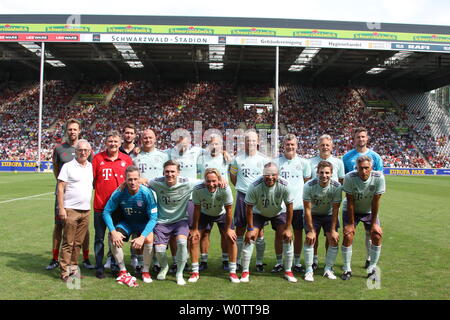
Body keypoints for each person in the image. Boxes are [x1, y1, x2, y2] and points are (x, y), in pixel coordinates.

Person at [145, 160, 203, 285]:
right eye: (167, 171)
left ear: (178, 172)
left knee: (182, 242)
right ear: (163, 172)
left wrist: (221, 180)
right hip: (162, 221)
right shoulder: (157, 182)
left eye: (172, 171)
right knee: (159, 250)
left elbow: (205, 181)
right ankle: (164, 267)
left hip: (180, 220)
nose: (169, 174)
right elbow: (143, 180)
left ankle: (179, 273)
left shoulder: (187, 182)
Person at [47, 119, 93, 271]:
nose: (72, 131)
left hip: (81, 202)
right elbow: (56, 170)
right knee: (59, 226)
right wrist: (65, 186)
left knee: (83, 229)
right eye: (70, 129)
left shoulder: (85, 149)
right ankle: (54, 259)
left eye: (75, 129)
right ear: (66, 131)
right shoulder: (59, 149)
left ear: (79, 131)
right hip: (63, 197)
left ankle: (85, 258)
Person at [102, 166, 158, 286]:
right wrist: (113, 231)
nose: (133, 182)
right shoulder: (119, 192)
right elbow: (106, 211)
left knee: (149, 239)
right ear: (125, 179)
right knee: (113, 238)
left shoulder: (146, 193)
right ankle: (123, 271)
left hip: (143, 223)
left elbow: (153, 218)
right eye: (130, 179)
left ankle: (145, 271)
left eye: (135, 179)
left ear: (139, 179)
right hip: (127, 223)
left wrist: (142, 237)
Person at [241, 162, 296, 283]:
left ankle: (287, 270)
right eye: (267, 175)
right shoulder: (254, 186)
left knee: (286, 236)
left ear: (278, 174)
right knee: (250, 237)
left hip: (278, 212)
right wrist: (250, 229)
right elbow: (249, 208)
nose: (270, 177)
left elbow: (290, 206)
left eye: (273, 175)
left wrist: (288, 228)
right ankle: (245, 271)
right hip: (259, 212)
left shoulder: (285, 185)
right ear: (263, 174)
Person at [92, 130, 133, 279]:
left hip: (119, 207)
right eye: (110, 141)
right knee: (99, 238)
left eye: (116, 141)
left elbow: (132, 179)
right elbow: (93, 180)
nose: (113, 144)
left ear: (120, 143)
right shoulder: (97, 159)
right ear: (106, 143)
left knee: (116, 237)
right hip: (100, 206)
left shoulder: (126, 159)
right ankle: (99, 266)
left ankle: (116, 265)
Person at [189, 168, 239, 283]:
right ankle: (196, 270)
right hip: (204, 214)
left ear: (219, 180)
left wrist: (229, 229)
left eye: (214, 181)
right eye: (208, 181)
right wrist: (195, 229)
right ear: (204, 180)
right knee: (194, 238)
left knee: (230, 238)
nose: (211, 184)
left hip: (222, 214)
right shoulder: (198, 189)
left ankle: (232, 271)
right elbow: (196, 210)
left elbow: (229, 209)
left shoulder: (225, 188)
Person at [342, 127, 383, 268]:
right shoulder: (346, 157)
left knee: (371, 233)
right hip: (352, 199)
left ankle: (369, 259)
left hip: (368, 203)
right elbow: (345, 179)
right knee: (348, 233)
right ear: (354, 139)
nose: (361, 139)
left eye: (363, 136)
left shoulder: (376, 157)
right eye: (358, 137)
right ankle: (347, 265)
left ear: (367, 138)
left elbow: (377, 180)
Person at [229, 130, 270, 272]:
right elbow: (233, 177)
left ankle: (259, 262)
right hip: (242, 196)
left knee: (260, 230)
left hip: (259, 198)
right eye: (247, 140)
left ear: (258, 141)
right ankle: (238, 260)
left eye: (253, 140)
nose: (250, 142)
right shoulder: (237, 159)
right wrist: (242, 188)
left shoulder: (264, 160)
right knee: (240, 228)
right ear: (243, 142)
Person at [341, 155, 386, 280]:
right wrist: (350, 223)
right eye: (360, 168)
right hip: (351, 210)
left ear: (371, 167)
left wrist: (373, 225)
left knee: (377, 235)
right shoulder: (350, 177)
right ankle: (347, 269)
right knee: (348, 235)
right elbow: (350, 201)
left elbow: (376, 202)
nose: (364, 171)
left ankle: (372, 268)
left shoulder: (379, 178)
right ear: (357, 168)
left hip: (369, 210)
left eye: (366, 168)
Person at [273, 134, 311, 274]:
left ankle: (296, 262)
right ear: (283, 145)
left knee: (298, 233)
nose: (290, 147)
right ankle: (278, 262)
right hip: (281, 206)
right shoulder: (276, 162)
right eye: (288, 144)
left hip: (299, 205)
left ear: (296, 146)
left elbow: (307, 183)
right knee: (280, 233)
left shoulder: (304, 163)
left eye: (292, 145)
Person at [57, 139, 93, 281]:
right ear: (75, 151)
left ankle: (73, 268)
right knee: (68, 242)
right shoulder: (68, 166)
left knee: (78, 242)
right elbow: (60, 188)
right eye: (80, 150)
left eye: (85, 150)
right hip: (71, 209)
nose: (83, 152)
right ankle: (64, 271)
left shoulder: (91, 166)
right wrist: (61, 208)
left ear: (89, 152)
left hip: (86, 210)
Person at [166, 135, 203, 273]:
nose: (182, 146)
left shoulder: (196, 151)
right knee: (173, 232)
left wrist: (222, 152)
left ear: (189, 143)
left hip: (190, 198)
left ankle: (188, 259)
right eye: (179, 144)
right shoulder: (169, 152)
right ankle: (176, 261)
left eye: (184, 143)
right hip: (174, 197)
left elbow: (213, 150)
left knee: (190, 231)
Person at [196, 134, 233, 271]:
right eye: (212, 144)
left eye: (217, 144)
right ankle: (204, 260)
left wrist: (224, 152)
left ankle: (225, 260)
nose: (214, 146)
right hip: (205, 198)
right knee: (205, 233)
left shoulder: (226, 158)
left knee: (225, 233)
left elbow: (237, 166)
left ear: (221, 146)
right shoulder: (201, 157)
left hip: (222, 199)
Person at [309, 134, 344, 270]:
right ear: (318, 146)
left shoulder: (338, 163)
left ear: (332, 146)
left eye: (327, 145)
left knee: (331, 236)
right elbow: (307, 183)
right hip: (314, 207)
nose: (325, 147)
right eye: (322, 145)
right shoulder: (310, 162)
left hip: (330, 209)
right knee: (314, 236)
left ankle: (328, 263)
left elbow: (341, 182)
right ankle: (315, 259)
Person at [302, 161, 342, 282]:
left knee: (333, 239)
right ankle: (309, 270)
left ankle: (328, 268)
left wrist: (334, 230)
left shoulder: (337, 187)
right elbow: (307, 210)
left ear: (331, 173)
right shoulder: (308, 185)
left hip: (329, 215)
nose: (324, 175)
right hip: (313, 215)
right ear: (317, 173)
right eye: (321, 172)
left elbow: (335, 209)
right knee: (310, 239)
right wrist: (310, 230)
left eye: (327, 173)